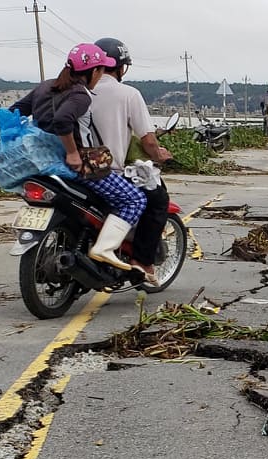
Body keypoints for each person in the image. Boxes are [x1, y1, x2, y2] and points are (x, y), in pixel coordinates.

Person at [9, 43, 147, 271]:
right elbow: (63, 120)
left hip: (45, 163)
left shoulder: (45, 87)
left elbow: (13, 113)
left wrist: (7, 149)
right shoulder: (81, 94)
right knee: (134, 199)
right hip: (80, 167)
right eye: (101, 70)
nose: (101, 75)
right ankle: (105, 247)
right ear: (93, 71)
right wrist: (73, 153)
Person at [89, 37, 173, 287]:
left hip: (72, 167)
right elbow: (148, 141)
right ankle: (142, 261)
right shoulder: (128, 94)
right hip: (106, 170)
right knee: (156, 200)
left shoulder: (77, 92)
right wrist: (159, 155)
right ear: (120, 66)